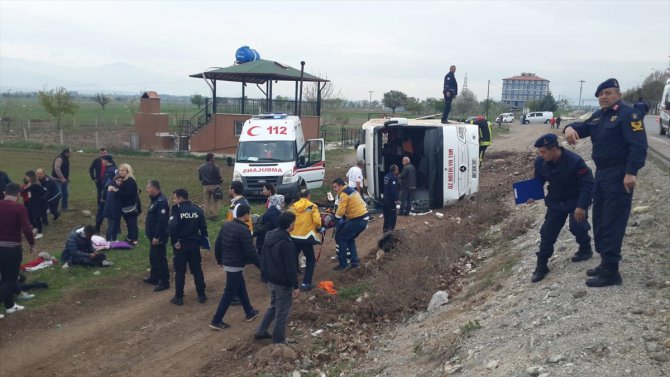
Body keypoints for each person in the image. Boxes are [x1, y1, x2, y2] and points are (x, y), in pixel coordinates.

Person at [564, 78, 648, 287]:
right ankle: (605, 262)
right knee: (600, 219)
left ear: (618, 95)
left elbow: (638, 146)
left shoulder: (629, 115)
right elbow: (583, 127)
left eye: (608, 93)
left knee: (613, 221)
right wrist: (568, 127)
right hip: (601, 175)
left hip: (619, 175)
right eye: (601, 94)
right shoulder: (600, 115)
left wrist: (631, 172)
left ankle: (611, 272)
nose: (604, 97)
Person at [529, 134, 594, 283]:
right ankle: (541, 265)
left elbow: (588, 184)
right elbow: (538, 180)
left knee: (577, 227)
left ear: (554, 149)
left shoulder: (575, 161)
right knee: (547, 232)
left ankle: (585, 249)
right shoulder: (540, 162)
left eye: (543, 152)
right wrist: (532, 195)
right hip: (556, 201)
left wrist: (582, 206)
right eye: (540, 152)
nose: (541, 155)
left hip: (575, 200)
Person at [210, 204, 261, 330]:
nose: (249, 216)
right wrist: (262, 267)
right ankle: (216, 320)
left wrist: (219, 260)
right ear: (245, 214)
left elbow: (218, 244)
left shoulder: (226, 225)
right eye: (249, 214)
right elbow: (251, 252)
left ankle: (249, 312)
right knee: (229, 293)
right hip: (236, 264)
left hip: (228, 262)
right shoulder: (244, 230)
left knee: (241, 288)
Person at [255, 212, 299, 344]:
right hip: (282, 283)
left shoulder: (270, 235)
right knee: (282, 312)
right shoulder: (287, 244)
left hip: (271, 279)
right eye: (294, 223)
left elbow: (263, 257)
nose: (294, 225)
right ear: (290, 225)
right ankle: (278, 341)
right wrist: (295, 286)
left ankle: (261, 331)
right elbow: (291, 268)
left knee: (273, 306)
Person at [0, 183, 35, 318]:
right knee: (11, 279)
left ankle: (9, 305)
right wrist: (32, 244)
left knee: (4, 278)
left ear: (5, 193)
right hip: (12, 248)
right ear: (18, 195)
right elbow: (26, 228)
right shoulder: (19, 208)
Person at [168, 188, 208, 305]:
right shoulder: (197, 209)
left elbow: (172, 228)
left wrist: (175, 242)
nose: (174, 200)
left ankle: (179, 297)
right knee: (197, 270)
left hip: (181, 245)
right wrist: (203, 242)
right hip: (194, 244)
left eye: (175, 198)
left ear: (180, 198)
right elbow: (203, 227)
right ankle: (201, 295)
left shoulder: (177, 211)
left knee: (180, 271)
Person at [288, 189, 322, 291]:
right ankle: (306, 283)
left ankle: (291, 282)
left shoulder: (293, 206)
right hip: (306, 237)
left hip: (293, 236)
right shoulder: (312, 206)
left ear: (299, 197)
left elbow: (287, 219)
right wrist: (319, 227)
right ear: (308, 196)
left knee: (293, 257)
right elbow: (317, 221)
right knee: (311, 259)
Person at [331, 178, 369, 271]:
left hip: (357, 219)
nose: (334, 189)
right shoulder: (351, 190)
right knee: (349, 238)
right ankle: (354, 261)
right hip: (363, 218)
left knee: (341, 238)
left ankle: (343, 264)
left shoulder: (343, 193)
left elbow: (341, 210)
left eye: (335, 187)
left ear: (340, 185)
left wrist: (335, 218)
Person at [144, 180, 170, 292]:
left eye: (149, 187)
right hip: (152, 236)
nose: (147, 189)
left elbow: (162, 221)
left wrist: (157, 236)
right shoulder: (155, 200)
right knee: (153, 257)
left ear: (155, 188)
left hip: (158, 237)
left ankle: (164, 281)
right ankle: (154, 277)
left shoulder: (161, 201)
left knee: (160, 258)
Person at [116, 163, 140, 245]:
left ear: (127, 171)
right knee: (129, 223)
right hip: (126, 206)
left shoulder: (129, 181)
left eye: (123, 170)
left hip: (131, 206)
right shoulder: (125, 180)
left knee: (132, 223)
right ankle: (130, 238)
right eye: (120, 170)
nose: (121, 172)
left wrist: (117, 191)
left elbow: (128, 194)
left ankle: (134, 239)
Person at [255, 184, 283, 255]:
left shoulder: (273, 199)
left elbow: (272, 213)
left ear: (269, 190)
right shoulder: (270, 198)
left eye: (264, 189)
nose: (262, 191)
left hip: (270, 223)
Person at [94, 156, 117, 233]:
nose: (102, 162)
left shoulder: (109, 171)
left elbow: (107, 185)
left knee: (101, 211)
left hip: (107, 195)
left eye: (103, 160)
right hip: (112, 194)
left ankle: (97, 227)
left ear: (107, 161)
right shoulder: (114, 168)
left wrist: (103, 196)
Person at [22, 170, 47, 239]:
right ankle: (35, 227)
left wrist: (14, 190)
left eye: (26, 176)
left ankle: (40, 233)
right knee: (28, 214)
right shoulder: (31, 183)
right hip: (32, 202)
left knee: (37, 217)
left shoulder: (35, 184)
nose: (25, 177)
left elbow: (25, 190)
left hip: (37, 203)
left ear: (30, 177)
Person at [199, 153, 223, 220]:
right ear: (211, 159)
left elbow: (200, 178)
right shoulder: (216, 167)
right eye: (213, 158)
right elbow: (219, 177)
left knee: (206, 201)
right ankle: (214, 215)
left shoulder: (201, 167)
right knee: (216, 201)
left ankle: (206, 215)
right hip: (214, 186)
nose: (214, 159)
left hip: (205, 186)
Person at [103, 175, 123, 241]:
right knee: (111, 226)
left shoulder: (113, 186)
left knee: (115, 226)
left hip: (116, 210)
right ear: (115, 180)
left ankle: (113, 240)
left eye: (121, 181)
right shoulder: (112, 187)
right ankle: (108, 241)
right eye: (118, 181)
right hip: (112, 210)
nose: (119, 182)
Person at [382, 164, 400, 232]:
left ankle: (385, 228)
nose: (398, 170)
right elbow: (393, 191)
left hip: (385, 198)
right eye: (397, 169)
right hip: (390, 199)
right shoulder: (393, 178)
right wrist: (396, 199)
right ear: (394, 170)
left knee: (386, 214)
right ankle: (391, 229)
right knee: (392, 214)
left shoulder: (386, 176)